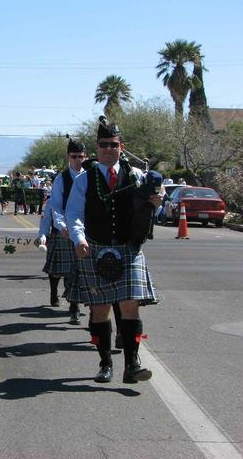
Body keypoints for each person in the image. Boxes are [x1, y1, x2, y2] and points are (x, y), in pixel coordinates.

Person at [66, 116, 161, 384]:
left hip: (128, 248)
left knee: (130, 306)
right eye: (103, 144)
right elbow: (73, 213)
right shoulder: (85, 179)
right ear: (97, 147)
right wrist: (79, 238)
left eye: (113, 144)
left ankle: (131, 363)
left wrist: (157, 202)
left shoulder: (137, 176)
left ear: (122, 146)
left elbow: (153, 210)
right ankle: (105, 362)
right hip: (96, 247)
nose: (108, 148)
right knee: (100, 310)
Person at [43, 138, 86, 323]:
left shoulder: (90, 176)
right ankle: (54, 292)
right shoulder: (62, 178)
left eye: (81, 156)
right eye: (74, 156)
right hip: (65, 229)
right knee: (62, 269)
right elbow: (55, 206)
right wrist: (62, 226)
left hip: (85, 230)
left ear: (86, 156)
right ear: (68, 157)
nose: (78, 160)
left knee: (78, 271)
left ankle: (74, 307)